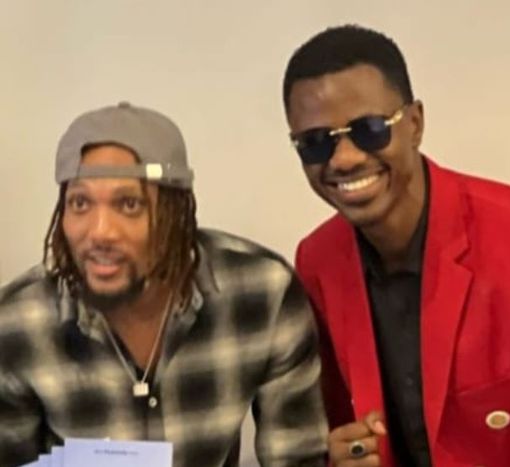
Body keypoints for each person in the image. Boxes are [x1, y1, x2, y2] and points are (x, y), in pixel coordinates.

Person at [283, 25, 510, 466]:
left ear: (414, 124)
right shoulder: (318, 261)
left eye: (370, 129)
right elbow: (341, 431)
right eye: (315, 143)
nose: (343, 158)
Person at [0, 102, 327, 467]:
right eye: (80, 203)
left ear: (177, 213)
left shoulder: (263, 292)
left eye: (129, 204)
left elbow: (297, 458)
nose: (100, 232)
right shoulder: (16, 324)